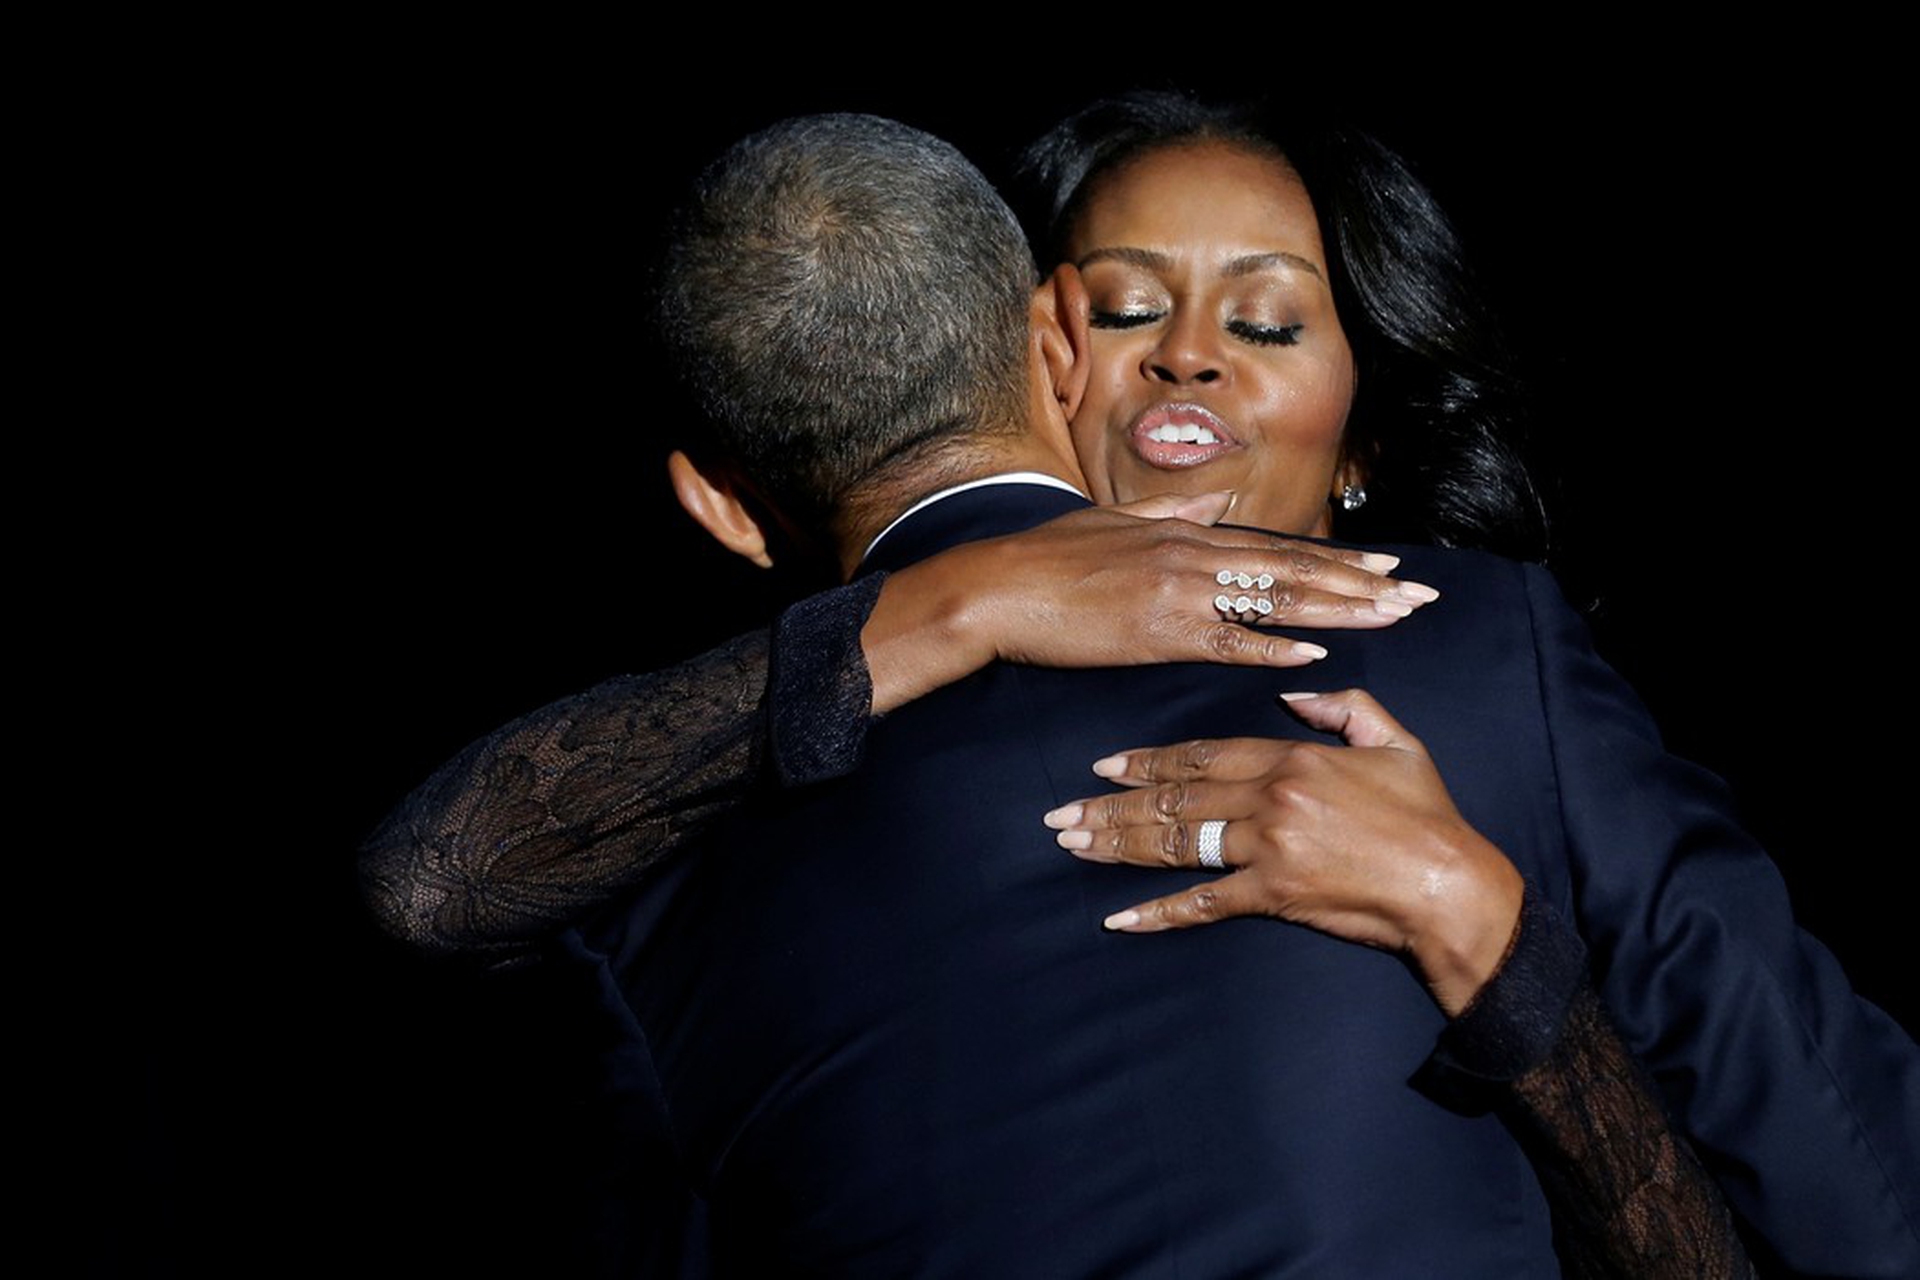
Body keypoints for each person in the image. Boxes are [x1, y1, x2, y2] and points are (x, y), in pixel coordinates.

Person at [361, 103, 1914, 1273]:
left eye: (1265, 320)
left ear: (1365, 443)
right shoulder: (680, 827)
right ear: (1042, 350)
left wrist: (1479, 919)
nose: (1185, 361)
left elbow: (1849, 1192)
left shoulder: (1484, 654)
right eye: (1125, 310)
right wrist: (956, 598)